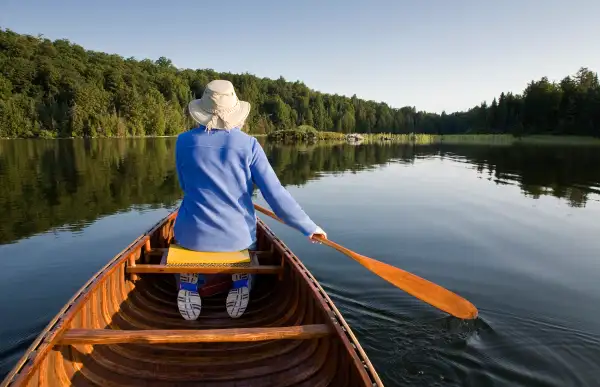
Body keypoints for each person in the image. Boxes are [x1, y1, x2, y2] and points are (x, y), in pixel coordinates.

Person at [173, 79, 326, 320]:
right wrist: (309, 227)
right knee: (245, 246)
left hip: (192, 235)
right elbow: (275, 195)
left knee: (185, 238)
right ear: (234, 111)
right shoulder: (249, 145)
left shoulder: (183, 142)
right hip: (237, 238)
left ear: (201, 112)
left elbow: (185, 185)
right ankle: (241, 282)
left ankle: (189, 283)